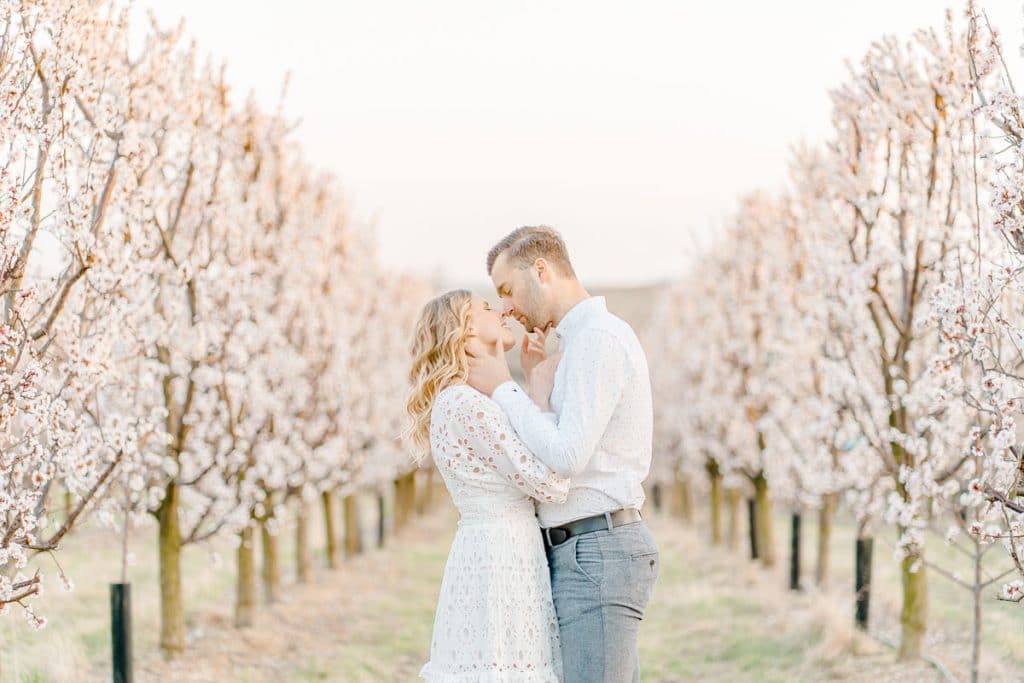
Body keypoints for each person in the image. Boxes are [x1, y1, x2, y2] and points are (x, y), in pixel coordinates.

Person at [467, 226, 659, 683]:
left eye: (507, 290)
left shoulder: (598, 339)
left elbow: (568, 456)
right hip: (585, 549)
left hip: (596, 551)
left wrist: (503, 387)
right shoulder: (577, 342)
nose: (506, 307)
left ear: (541, 270)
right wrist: (536, 386)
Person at [405, 289, 567, 682]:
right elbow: (550, 483)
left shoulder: (471, 401)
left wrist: (530, 384)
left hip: (499, 551)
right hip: (499, 559)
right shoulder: (466, 404)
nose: (503, 311)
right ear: (465, 332)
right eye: (487, 307)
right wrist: (542, 399)